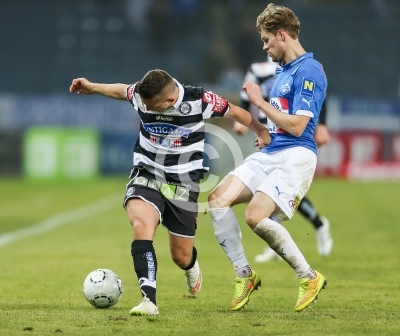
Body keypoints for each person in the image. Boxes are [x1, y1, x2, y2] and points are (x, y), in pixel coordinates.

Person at [69, 69, 270, 316]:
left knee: (180, 256)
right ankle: (148, 301)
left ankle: (191, 264)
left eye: (152, 106)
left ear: (170, 101)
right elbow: (122, 90)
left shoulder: (199, 100)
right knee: (141, 225)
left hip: (184, 182)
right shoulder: (141, 95)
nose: (146, 108)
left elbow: (238, 112)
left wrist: (261, 131)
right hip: (147, 172)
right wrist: (92, 86)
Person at [208, 3, 328, 312]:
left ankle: (308, 276)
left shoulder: (309, 70)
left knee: (254, 215)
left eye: (266, 40)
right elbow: (280, 122)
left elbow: (300, 125)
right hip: (273, 151)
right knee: (217, 199)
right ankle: (244, 276)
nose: (264, 47)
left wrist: (259, 102)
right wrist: (263, 131)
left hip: (296, 156)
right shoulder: (283, 72)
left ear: (282, 34)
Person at [233, 56, 333, 262]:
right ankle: (285, 237)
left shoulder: (302, 68)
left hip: (292, 134)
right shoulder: (258, 69)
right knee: (271, 187)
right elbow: (246, 97)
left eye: (267, 40)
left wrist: (322, 124)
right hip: (269, 132)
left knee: (281, 188)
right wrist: (243, 121)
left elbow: (319, 96)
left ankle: (316, 225)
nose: (266, 47)